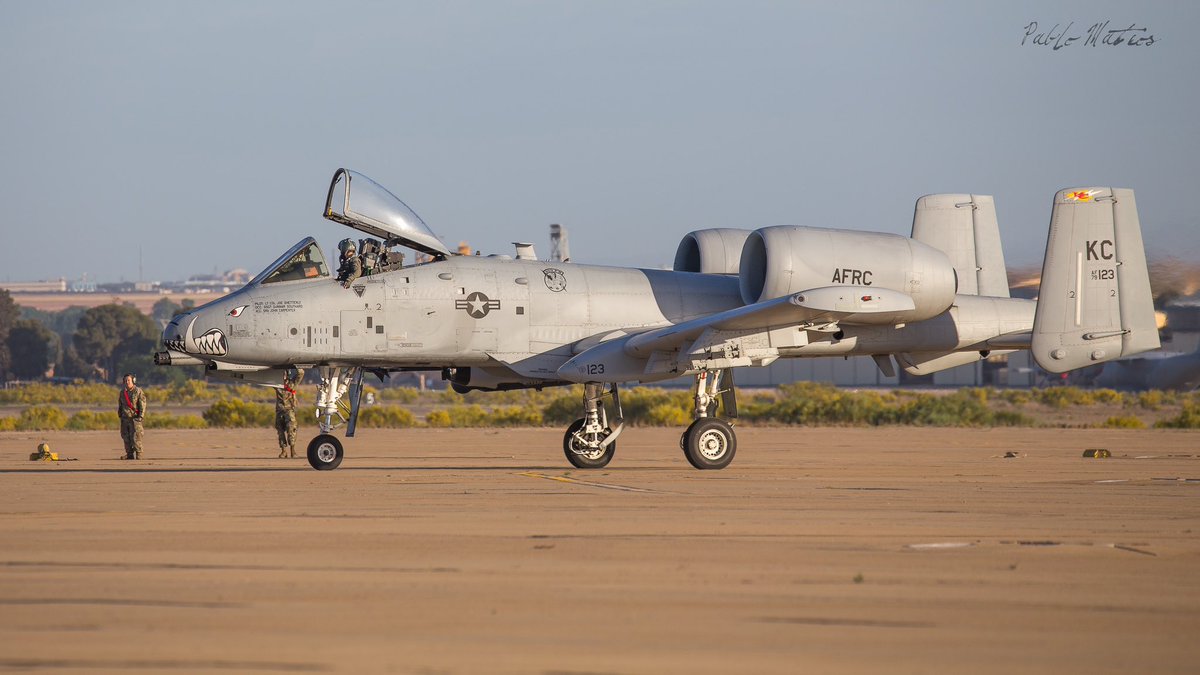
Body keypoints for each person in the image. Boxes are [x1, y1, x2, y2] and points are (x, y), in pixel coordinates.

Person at [117, 373, 147, 460]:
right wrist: (120, 414)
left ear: (133, 381)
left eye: (129, 380)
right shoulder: (122, 393)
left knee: (136, 437)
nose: (127, 382)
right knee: (125, 437)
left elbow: (143, 404)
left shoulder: (138, 391)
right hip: (125, 418)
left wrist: (140, 416)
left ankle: (139, 454)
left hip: (135, 419)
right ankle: (129, 454)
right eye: (125, 381)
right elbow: (120, 404)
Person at [275, 370, 300, 458]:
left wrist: (297, 366)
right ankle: (283, 451)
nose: (283, 375)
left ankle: (293, 450)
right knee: (280, 431)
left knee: (291, 430)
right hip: (280, 410)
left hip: (289, 410)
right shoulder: (277, 384)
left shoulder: (292, 383)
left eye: (284, 373)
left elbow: (301, 373)